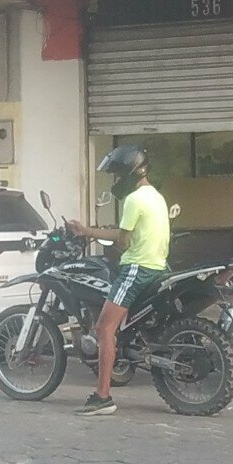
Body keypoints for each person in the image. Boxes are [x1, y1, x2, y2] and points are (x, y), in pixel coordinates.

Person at [69, 145, 170, 416]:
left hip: (137, 269)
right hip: (157, 267)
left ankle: (102, 397)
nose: (115, 181)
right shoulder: (156, 196)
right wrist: (90, 230)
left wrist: (87, 232)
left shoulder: (134, 200)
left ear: (128, 173)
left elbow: (123, 241)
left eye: (116, 175)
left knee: (103, 329)